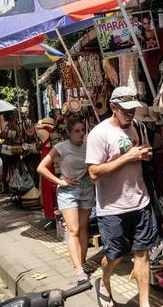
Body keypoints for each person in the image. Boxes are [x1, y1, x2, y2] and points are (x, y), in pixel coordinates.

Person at [85, 86, 163, 307]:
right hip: (113, 208)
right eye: (125, 110)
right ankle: (105, 278)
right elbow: (93, 173)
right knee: (115, 255)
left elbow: (143, 153)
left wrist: (144, 154)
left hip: (141, 201)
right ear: (113, 107)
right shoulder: (99, 134)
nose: (130, 114)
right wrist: (128, 157)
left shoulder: (138, 127)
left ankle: (145, 303)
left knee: (142, 254)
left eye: (133, 110)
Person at [37, 116, 95, 284]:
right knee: (74, 230)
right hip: (68, 190)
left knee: (84, 229)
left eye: (83, 130)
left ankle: (82, 263)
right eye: (77, 131)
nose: (81, 134)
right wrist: (60, 181)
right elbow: (41, 168)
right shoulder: (61, 147)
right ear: (68, 133)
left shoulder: (88, 146)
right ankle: (78, 270)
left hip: (86, 187)